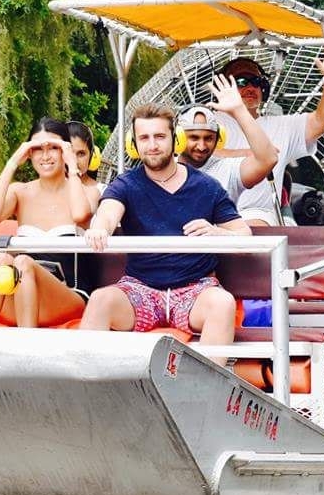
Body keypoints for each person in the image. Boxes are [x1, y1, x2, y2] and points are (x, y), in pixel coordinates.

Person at [79, 103, 250, 345]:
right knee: (100, 300)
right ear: (134, 145)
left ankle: (201, 383)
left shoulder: (206, 186)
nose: (152, 145)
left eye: (159, 136)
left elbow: (243, 233)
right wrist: (99, 229)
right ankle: (93, 383)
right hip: (141, 289)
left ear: (175, 139)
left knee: (222, 304)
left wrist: (217, 232)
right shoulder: (126, 184)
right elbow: (108, 213)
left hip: (195, 288)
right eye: (144, 138)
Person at [210, 27, 324, 225]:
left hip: (257, 214)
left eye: (256, 81)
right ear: (224, 86)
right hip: (207, 210)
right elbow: (189, 154)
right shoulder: (206, 121)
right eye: (241, 81)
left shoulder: (281, 126)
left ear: (264, 88)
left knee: (250, 226)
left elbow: (322, 121)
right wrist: (249, 155)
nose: (250, 87)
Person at [0, 119, 93, 329]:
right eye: (36, 149)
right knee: (1, 260)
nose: (45, 156)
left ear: (65, 150)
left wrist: (72, 165)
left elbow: (80, 214)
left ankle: (27, 350)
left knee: (23, 263)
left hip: (68, 294)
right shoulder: (20, 192)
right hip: (21, 293)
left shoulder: (86, 191)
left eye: (54, 147)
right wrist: (13, 162)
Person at [179, 74, 278, 201]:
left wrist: (239, 111)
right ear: (178, 137)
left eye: (209, 138)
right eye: (194, 138)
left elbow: (268, 159)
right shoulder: (161, 171)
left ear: (219, 140)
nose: (202, 146)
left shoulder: (228, 170)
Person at [64, 120, 104, 214]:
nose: (75, 161)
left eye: (81, 154)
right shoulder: (44, 191)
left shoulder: (104, 193)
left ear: (92, 155)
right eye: (69, 153)